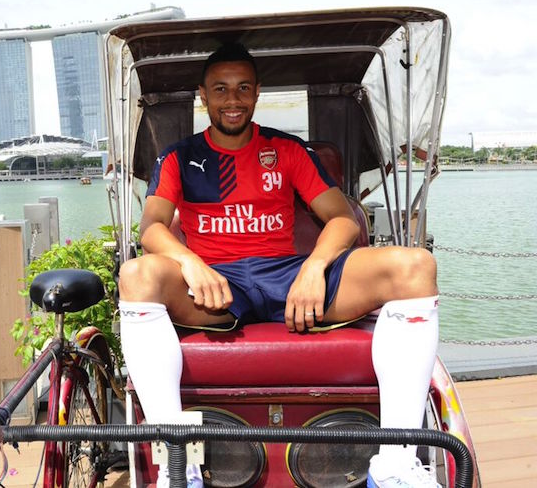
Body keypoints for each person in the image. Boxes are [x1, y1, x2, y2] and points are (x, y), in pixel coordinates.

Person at [118, 42, 440, 488]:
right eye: (220, 89)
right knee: (136, 274)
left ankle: (396, 465)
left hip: (287, 272)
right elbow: (152, 226)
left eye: (243, 88)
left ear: (257, 93)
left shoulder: (286, 150)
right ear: (203, 96)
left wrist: (314, 267)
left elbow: (342, 219)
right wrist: (189, 261)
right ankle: (179, 468)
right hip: (217, 281)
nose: (233, 99)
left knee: (415, 267)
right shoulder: (177, 157)